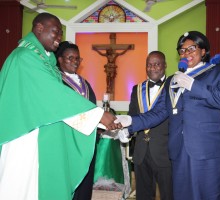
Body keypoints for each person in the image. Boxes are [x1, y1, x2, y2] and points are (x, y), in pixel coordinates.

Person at [0, 13, 120, 200]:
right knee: (23, 186)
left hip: (38, 133)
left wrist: (97, 118)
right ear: (39, 28)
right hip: (25, 136)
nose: (59, 39)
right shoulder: (25, 57)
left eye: (61, 34)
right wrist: (96, 115)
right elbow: (53, 95)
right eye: (55, 32)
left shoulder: (41, 60)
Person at [116, 31, 220, 200]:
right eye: (182, 51)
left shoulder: (218, 72)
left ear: (203, 51)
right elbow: (159, 112)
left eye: (191, 48)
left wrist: (194, 85)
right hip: (179, 151)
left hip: (207, 151)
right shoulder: (172, 80)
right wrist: (130, 121)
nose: (186, 54)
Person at [55, 41, 98, 200]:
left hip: (86, 141)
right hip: (67, 141)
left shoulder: (84, 83)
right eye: (70, 58)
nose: (75, 61)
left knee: (85, 185)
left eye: (77, 58)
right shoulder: (56, 81)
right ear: (60, 60)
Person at [127, 51, 173, 200]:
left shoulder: (173, 88)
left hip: (165, 152)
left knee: (169, 195)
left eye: (157, 64)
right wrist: (125, 130)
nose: (153, 68)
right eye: (149, 64)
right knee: (143, 196)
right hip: (141, 152)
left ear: (165, 65)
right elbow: (132, 116)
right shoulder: (137, 89)